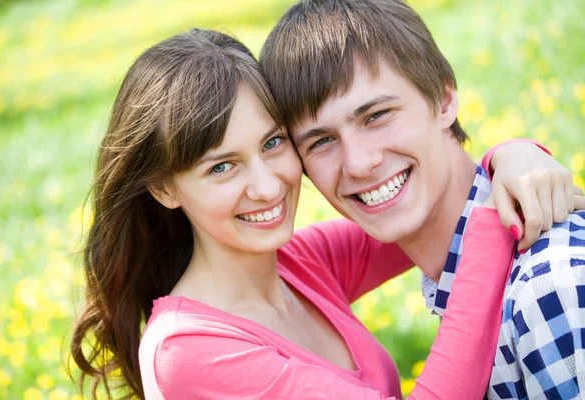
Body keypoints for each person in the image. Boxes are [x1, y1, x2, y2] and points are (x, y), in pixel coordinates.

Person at [69, 28, 582, 400]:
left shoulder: (298, 265)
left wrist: (512, 157)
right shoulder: (192, 353)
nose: (268, 185)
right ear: (163, 187)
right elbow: (469, 226)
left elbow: (422, 208)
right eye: (222, 166)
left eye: (273, 143)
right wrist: (499, 215)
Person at [259, 0, 585, 398]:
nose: (359, 164)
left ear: (444, 99)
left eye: (376, 115)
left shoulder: (549, 288)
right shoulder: (447, 262)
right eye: (323, 141)